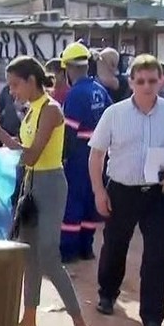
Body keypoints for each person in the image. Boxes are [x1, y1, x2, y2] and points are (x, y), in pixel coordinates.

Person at [0, 56, 92, 326]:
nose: (13, 91)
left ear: (32, 81)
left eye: (16, 85)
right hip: (30, 185)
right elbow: (22, 149)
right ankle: (28, 321)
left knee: (48, 255)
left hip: (50, 183)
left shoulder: (51, 110)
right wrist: (3, 136)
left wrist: (1, 134)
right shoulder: (32, 111)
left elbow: (30, 154)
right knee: (28, 255)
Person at [88, 54, 164, 326]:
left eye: (152, 80)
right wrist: (99, 191)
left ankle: (152, 316)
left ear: (161, 80)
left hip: (159, 193)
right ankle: (107, 295)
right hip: (122, 190)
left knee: (157, 254)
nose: (147, 87)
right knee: (114, 244)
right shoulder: (115, 114)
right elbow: (96, 154)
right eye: (140, 81)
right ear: (131, 81)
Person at [58, 42, 113, 263]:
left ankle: (68, 251)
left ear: (68, 69)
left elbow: (69, 133)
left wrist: (63, 157)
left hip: (80, 154)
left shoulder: (75, 95)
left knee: (73, 201)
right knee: (91, 201)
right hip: (101, 153)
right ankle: (86, 248)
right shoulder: (100, 90)